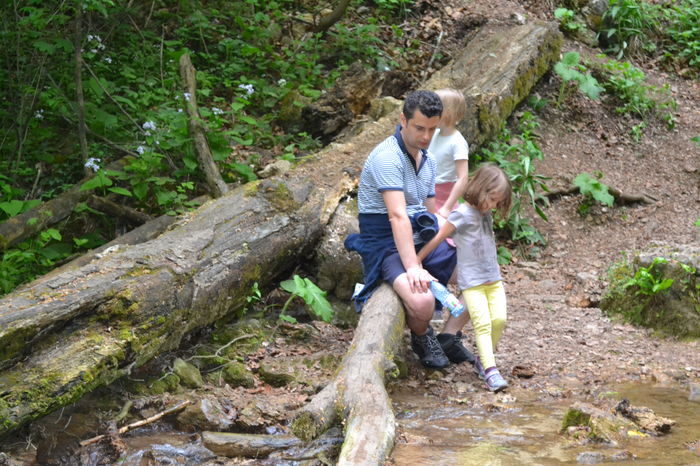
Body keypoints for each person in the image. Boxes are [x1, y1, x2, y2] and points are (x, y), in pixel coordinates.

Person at [344, 90, 475, 369]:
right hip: (386, 242)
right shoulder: (387, 158)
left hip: (418, 236)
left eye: (432, 129)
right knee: (423, 303)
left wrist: (441, 240)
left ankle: (449, 336)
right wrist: (413, 266)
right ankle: (421, 335)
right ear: (403, 120)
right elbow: (397, 216)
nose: (426, 137)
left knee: (479, 275)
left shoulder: (427, 159)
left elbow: (428, 216)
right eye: (419, 128)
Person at [417, 164, 512, 392]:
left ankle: (483, 359)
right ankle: (490, 370)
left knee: (499, 320)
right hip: (473, 283)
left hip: (493, 279)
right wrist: (416, 261)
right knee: (482, 325)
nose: (492, 205)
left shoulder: (485, 213)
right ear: (479, 188)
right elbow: (439, 237)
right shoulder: (462, 214)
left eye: (497, 202)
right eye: (491, 199)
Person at [428, 89, 470, 220]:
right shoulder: (433, 134)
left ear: (447, 113)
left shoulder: (457, 142)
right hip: (425, 189)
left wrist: (447, 206)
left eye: (434, 109)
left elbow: (463, 178)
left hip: (442, 196)